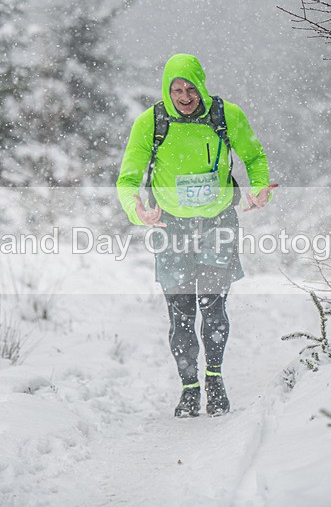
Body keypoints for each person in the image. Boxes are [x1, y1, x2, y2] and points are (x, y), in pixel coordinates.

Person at [116, 53, 275, 417]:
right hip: (171, 228)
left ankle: (215, 380)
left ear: (201, 86)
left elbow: (255, 157)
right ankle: (189, 388)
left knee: (213, 307)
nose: (184, 97)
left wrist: (261, 187)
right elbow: (127, 179)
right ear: (166, 91)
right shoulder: (151, 123)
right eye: (176, 90)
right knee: (181, 313)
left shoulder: (226, 117)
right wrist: (137, 210)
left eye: (190, 88)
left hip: (217, 223)